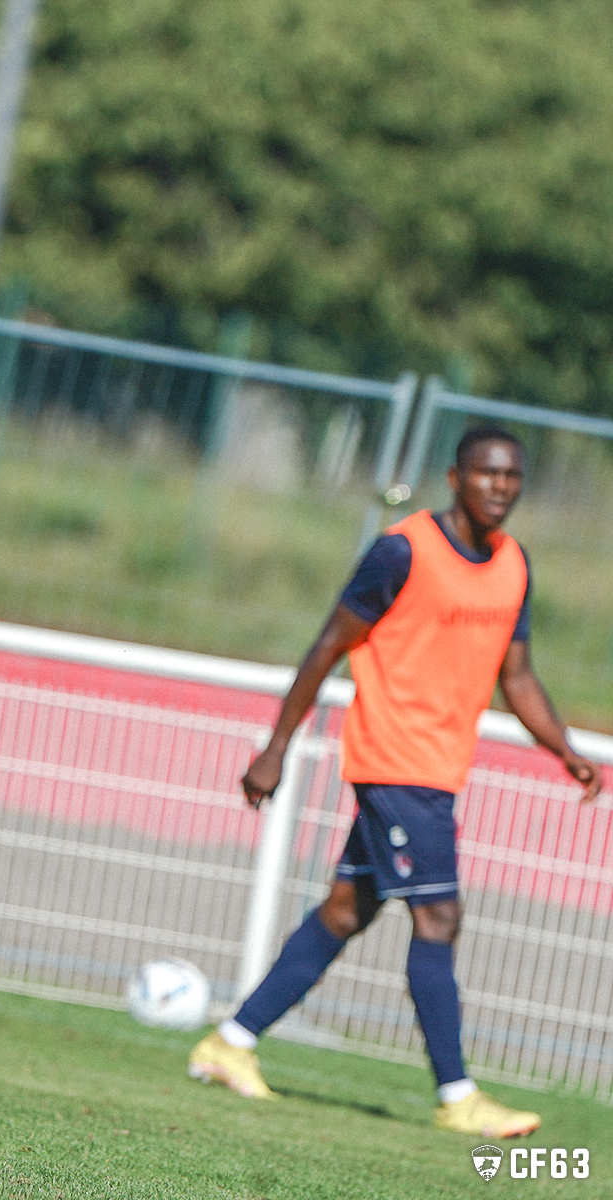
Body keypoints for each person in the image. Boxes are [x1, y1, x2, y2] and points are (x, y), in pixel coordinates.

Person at [188, 426, 601, 1138]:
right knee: (439, 918)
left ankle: (229, 1043)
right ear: (454, 476)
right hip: (395, 761)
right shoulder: (403, 550)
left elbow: (518, 675)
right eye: (487, 474)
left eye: (512, 477)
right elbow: (329, 645)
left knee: (346, 911)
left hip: (439, 768)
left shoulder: (514, 567)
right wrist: (277, 746)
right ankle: (457, 1096)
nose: (501, 487)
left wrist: (564, 747)